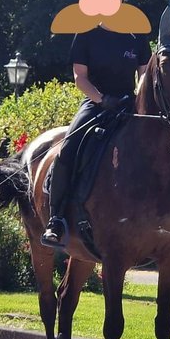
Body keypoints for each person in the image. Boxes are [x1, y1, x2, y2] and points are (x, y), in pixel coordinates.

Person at [41, 20, 150, 248]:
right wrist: (102, 99)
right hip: (96, 103)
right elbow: (80, 77)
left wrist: (138, 100)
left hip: (129, 104)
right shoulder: (86, 33)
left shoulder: (137, 34)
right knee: (68, 149)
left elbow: (144, 76)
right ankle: (56, 219)